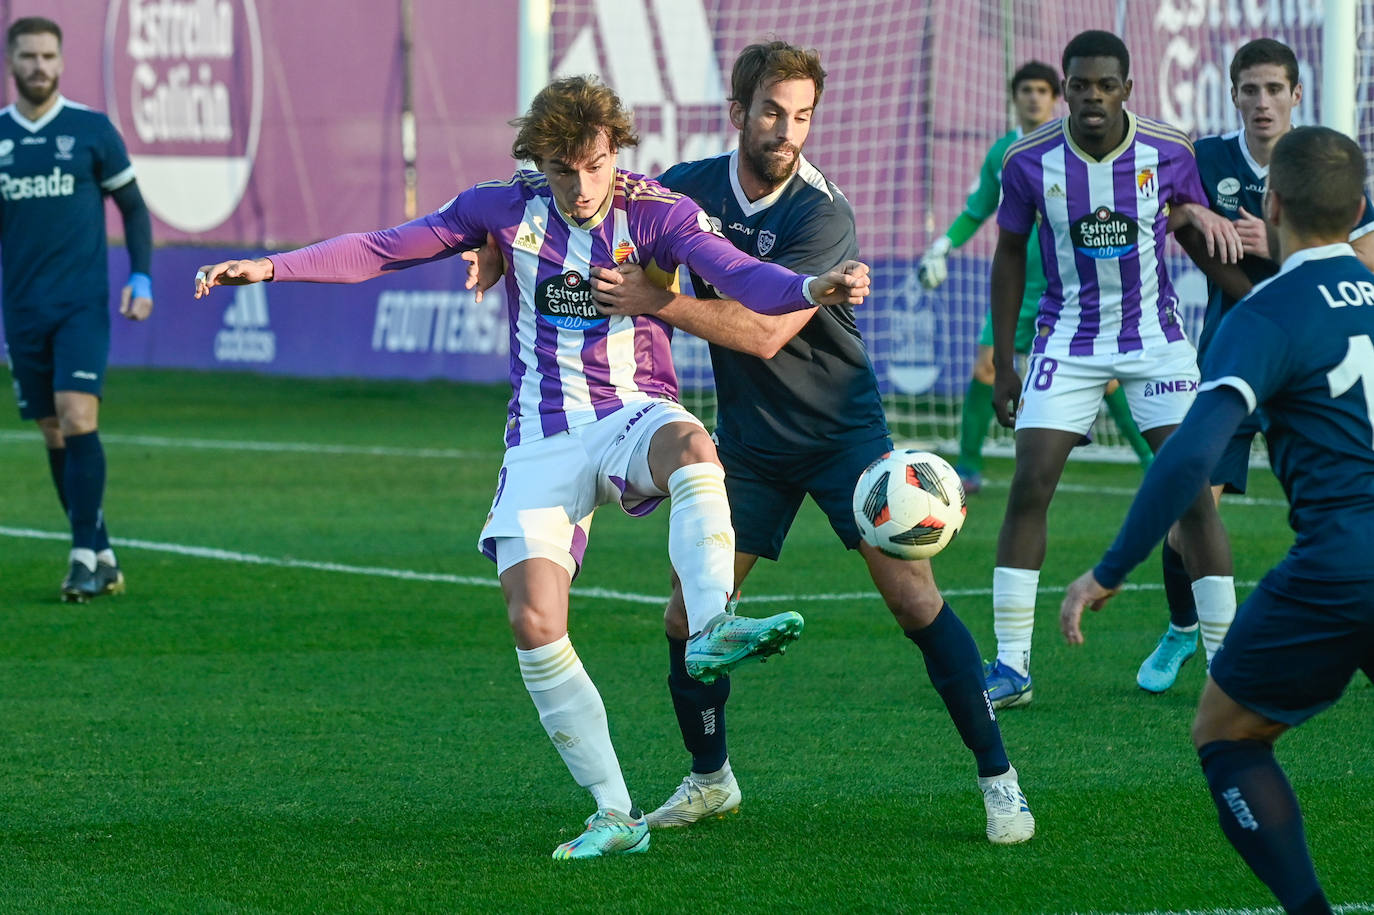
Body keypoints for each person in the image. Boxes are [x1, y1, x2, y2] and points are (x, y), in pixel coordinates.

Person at [193, 75, 872, 860]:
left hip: (631, 412)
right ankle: (616, 812)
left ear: (614, 151)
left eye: (593, 164)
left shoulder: (655, 209)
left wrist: (807, 287)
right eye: (561, 168)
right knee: (533, 618)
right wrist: (271, 268)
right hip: (543, 435)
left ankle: (713, 620)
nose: (581, 186)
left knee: (694, 447)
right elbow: (383, 249)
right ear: (537, 163)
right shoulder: (502, 209)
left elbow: (739, 272)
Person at [587, 41, 1035, 844]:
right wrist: (492, 240)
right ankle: (710, 780)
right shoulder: (684, 188)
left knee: (914, 600)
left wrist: (656, 301)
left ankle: (1000, 779)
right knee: (689, 617)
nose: (787, 130)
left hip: (842, 436)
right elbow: (590, 202)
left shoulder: (822, 213)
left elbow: (761, 334)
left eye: (801, 117)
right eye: (772, 112)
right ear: (737, 112)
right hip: (750, 445)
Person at [1061, 125, 1373, 915]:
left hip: (1342, 560)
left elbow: (1190, 457)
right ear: (1361, 205)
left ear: (1270, 202)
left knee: (1227, 735)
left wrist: (1110, 567)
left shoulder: (1267, 312)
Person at [984, 30, 1248, 709]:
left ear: (1127, 87)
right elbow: (1010, 252)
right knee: (1030, 481)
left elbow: (1191, 228)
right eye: (1080, 85)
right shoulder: (1027, 160)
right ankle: (1011, 665)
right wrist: (1006, 363)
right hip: (1067, 340)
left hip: (1156, 341)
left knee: (1192, 490)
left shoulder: (1169, 148)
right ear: (1065, 87)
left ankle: (1227, 662)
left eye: (1105, 84)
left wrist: (1257, 301)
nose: (1092, 96)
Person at [1137, 37, 1374, 694]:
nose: (1263, 102)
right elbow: (1170, 211)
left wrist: (1267, 243)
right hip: (1238, 354)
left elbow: (1366, 265)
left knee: (1342, 504)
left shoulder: (1322, 161)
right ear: (1233, 94)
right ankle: (1184, 625)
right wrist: (1191, 212)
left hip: (1319, 366)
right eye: (1250, 90)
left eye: (1275, 89)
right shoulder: (1208, 159)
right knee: (1191, 512)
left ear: (1297, 94)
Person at [918, 60, 1152, 491]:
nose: (1033, 97)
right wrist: (943, 245)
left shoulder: (1076, 146)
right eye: (1025, 90)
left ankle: (1152, 462)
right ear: (1015, 98)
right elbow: (978, 210)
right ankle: (967, 467)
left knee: (1107, 377)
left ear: (1055, 97)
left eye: (1042, 91)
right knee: (988, 367)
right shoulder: (1003, 152)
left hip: (1071, 286)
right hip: (1018, 288)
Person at [0, 17, 153, 602]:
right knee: (52, 430)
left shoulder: (91, 130)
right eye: (28, 57)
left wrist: (140, 275)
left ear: (61, 62)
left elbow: (134, 209)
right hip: (22, 310)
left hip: (81, 305)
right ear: (12, 63)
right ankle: (104, 550)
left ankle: (82, 557)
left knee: (77, 415)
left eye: (48, 56)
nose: (39, 66)